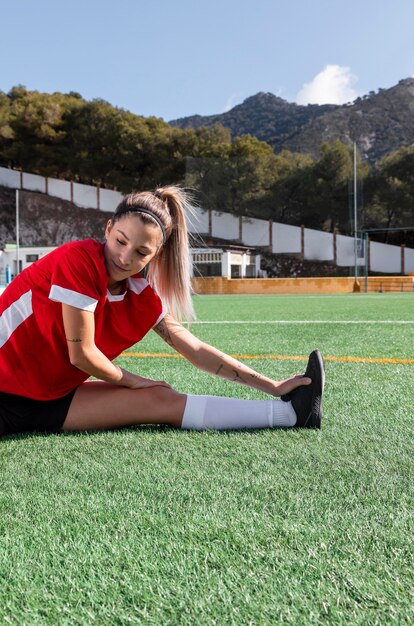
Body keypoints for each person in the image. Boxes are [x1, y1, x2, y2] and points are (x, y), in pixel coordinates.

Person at [0, 187, 325, 437]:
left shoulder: (142, 298)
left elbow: (196, 351)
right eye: (120, 241)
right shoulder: (78, 261)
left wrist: (274, 386)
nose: (125, 258)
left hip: (51, 398)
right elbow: (82, 355)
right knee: (148, 390)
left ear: (156, 254)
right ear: (108, 228)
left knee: (161, 401)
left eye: (141, 252)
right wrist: (135, 381)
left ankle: (292, 415)